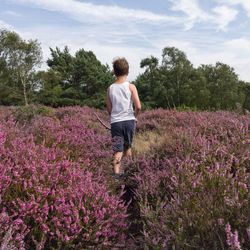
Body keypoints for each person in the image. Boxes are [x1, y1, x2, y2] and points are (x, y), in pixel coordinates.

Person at [106, 57, 141, 179]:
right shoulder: (131, 87)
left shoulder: (110, 88)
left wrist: (114, 117)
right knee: (128, 148)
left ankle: (116, 177)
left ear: (114, 72)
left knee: (118, 151)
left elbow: (109, 108)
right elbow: (138, 106)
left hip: (116, 123)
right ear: (127, 71)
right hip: (129, 121)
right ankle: (128, 175)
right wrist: (134, 117)